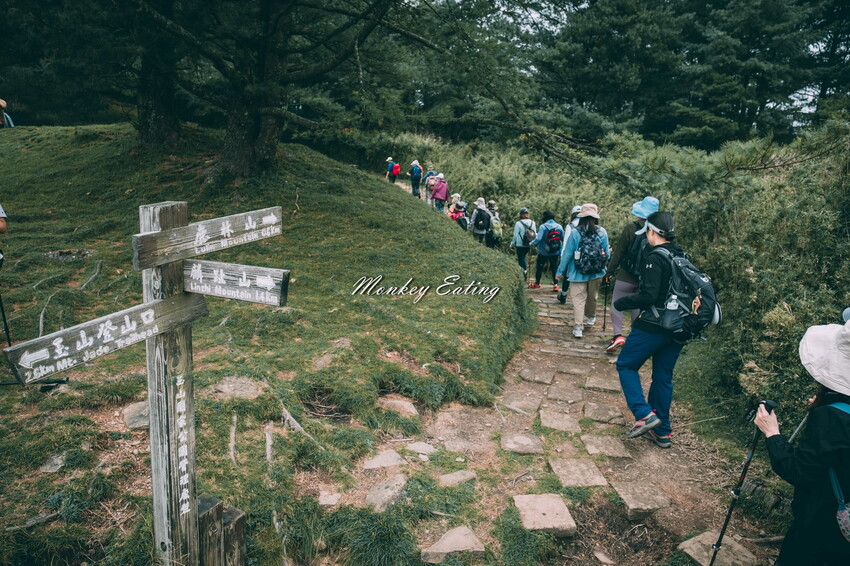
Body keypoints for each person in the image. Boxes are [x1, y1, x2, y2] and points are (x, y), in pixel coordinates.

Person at [754, 319, 850, 565]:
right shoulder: (835, 414)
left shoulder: (833, 417)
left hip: (824, 528)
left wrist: (772, 433)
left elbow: (799, 471)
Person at [614, 212, 683, 448]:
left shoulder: (655, 257)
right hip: (678, 327)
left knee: (626, 365)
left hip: (654, 325)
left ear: (652, 231)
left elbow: (649, 296)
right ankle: (662, 432)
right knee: (663, 377)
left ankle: (644, 414)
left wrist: (623, 303)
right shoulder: (681, 255)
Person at [604, 196, 660, 352]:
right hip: (646, 279)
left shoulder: (631, 228)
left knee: (617, 304)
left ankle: (618, 336)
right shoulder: (657, 232)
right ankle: (635, 338)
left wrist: (609, 272)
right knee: (637, 307)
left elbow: (619, 253)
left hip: (626, 275)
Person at [556, 203, 610, 338]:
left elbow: (567, 254)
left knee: (578, 300)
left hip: (577, 272)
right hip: (597, 271)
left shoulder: (575, 232)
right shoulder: (601, 232)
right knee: (592, 297)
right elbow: (606, 254)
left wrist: (560, 272)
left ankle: (578, 328)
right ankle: (591, 318)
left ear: (581, 217)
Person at [528, 210, 564, 290]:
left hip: (543, 251)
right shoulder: (559, 227)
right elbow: (562, 238)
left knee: (539, 267)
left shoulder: (543, 226)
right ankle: (556, 285)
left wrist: (532, 244)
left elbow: (539, 239)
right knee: (554, 268)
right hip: (555, 251)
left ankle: (537, 283)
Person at [556, 205, 582, 304]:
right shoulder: (588, 225)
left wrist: (563, 258)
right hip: (585, 256)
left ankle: (563, 295)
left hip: (572, 255)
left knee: (568, 276)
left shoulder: (570, 226)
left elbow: (566, 242)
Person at [509, 207, 536, 280]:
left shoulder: (518, 223)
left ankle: (523, 271)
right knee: (524, 258)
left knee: (521, 259)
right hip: (528, 243)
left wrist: (512, 244)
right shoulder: (532, 223)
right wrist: (534, 243)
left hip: (519, 244)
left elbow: (515, 235)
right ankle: (524, 270)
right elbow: (534, 234)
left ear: (521, 215)